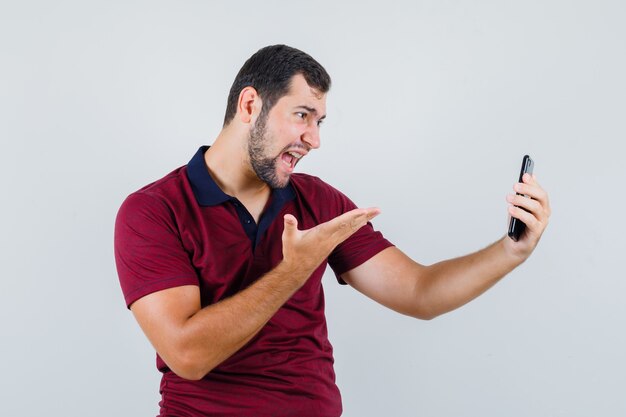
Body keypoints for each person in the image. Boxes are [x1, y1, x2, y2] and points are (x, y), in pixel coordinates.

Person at [114, 44, 550, 416]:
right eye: (302, 115)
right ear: (250, 105)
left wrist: (511, 251)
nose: (314, 139)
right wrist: (293, 270)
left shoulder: (318, 201)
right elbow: (188, 354)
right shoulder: (153, 211)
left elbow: (420, 292)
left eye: (319, 122)